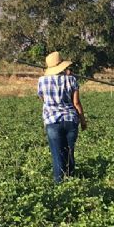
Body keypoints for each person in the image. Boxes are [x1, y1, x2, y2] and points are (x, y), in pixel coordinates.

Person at [37, 51, 86, 183]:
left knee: (58, 155)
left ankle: (59, 184)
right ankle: (71, 181)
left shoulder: (42, 81)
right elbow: (76, 103)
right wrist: (83, 121)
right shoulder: (72, 79)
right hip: (71, 120)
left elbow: (43, 99)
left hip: (52, 122)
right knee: (69, 153)